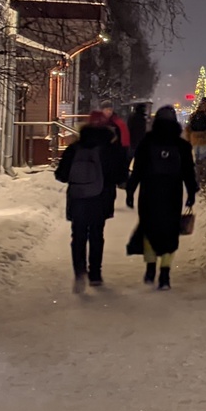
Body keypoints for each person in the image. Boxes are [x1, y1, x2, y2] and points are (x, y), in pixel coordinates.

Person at [55, 109, 127, 293]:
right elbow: (120, 175)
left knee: (78, 235)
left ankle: (79, 272)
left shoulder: (75, 147)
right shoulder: (110, 148)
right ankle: (95, 274)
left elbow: (61, 175)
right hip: (101, 197)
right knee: (96, 234)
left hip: (78, 196)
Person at [128, 105, 199, 290]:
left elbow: (138, 169)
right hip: (172, 193)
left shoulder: (148, 141)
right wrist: (191, 193)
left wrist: (130, 191)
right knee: (170, 231)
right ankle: (165, 274)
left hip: (149, 192)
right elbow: (188, 172)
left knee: (149, 228)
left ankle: (150, 268)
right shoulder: (181, 145)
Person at [123, 102, 150, 203]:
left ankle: (125, 179)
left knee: (128, 161)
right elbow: (142, 132)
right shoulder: (141, 119)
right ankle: (128, 180)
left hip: (132, 142)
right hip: (138, 144)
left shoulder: (132, 117)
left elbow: (129, 129)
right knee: (137, 166)